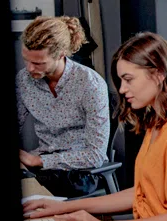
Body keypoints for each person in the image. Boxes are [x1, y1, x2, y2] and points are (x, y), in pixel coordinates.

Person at [23, 32, 167, 221]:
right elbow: (142, 193)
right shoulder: (160, 123)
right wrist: (64, 206)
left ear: (158, 74)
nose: (122, 89)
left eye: (129, 79)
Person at [16, 16, 110, 197]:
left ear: (61, 55)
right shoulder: (24, 80)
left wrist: (38, 160)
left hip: (80, 171)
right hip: (42, 167)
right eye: (26, 60)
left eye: (38, 63)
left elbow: (95, 155)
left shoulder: (90, 84)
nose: (29, 69)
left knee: (35, 194)